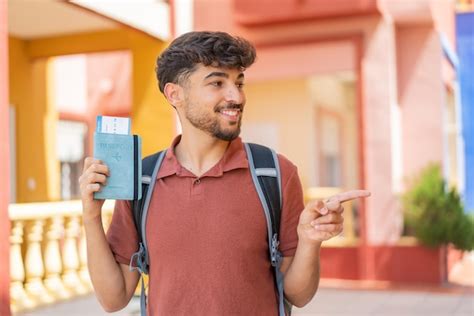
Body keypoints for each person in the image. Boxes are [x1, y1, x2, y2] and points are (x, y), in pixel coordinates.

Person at [79, 31, 370, 315]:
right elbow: (113, 299)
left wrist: (309, 241)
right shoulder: (142, 180)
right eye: (217, 83)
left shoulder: (275, 174)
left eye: (239, 83)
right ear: (174, 94)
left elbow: (298, 295)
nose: (236, 96)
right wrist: (91, 217)